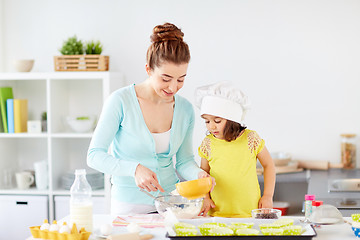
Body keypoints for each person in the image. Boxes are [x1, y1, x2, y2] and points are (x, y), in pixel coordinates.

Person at [87, 22, 209, 215]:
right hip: (129, 206)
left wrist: (200, 175)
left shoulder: (185, 109)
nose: (173, 87)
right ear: (148, 69)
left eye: (181, 79)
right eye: (166, 78)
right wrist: (134, 169)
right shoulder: (120, 101)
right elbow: (94, 156)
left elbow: (184, 161)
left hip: (172, 203)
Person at [195, 81, 276, 218]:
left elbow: (269, 165)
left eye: (217, 121)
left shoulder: (251, 139)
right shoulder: (207, 143)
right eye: (207, 121)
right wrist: (205, 198)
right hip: (217, 213)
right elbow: (204, 174)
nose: (211, 127)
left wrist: (267, 196)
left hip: (249, 213)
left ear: (232, 119)